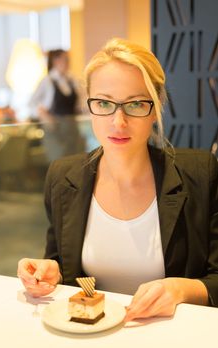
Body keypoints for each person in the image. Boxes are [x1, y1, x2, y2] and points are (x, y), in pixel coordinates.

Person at [18, 38, 218, 322]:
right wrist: (51, 271)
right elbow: (62, 262)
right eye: (104, 103)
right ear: (90, 107)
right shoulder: (63, 177)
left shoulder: (200, 174)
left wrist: (180, 289)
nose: (118, 121)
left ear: (157, 105)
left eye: (135, 104)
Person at [29, 49, 85, 161]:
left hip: (73, 130)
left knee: (75, 163)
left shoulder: (72, 80)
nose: (68, 62)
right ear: (55, 61)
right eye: (65, 59)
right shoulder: (47, 81)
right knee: (59, 165)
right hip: (55, 131)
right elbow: (32, 103)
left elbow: (80, 103)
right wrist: (43, 115)